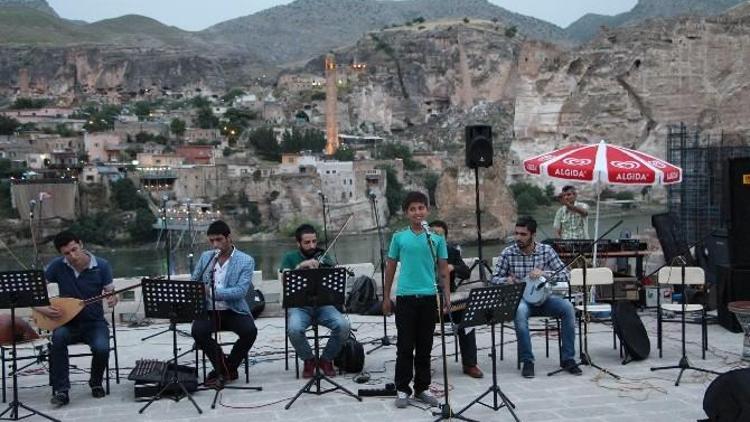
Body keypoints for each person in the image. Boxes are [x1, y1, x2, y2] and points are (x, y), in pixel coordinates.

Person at [491, 216, 581, 378]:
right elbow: (494, 279)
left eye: (523, 234)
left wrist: (545, 274)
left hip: (545, 298)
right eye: (516, 233)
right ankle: (528, 361)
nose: (518, 238)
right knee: (519, 312)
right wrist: (507, 280)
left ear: (533, 235)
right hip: (521, 300)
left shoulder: (546, 251)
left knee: (568, 308)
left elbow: (566, 275)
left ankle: (568, 359)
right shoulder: (508, 253)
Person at [382, 191, 449, 409]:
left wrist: (446, 295)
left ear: (427, 210)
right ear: (406, 213)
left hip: (429, 297)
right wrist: (385, 297)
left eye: (421, 208)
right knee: (405, 345)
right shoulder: (398, 238)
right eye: (412, 209)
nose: (417, 212)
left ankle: (422, 387)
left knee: (425, 345)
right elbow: (390, 268)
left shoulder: (436, 239)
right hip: (406, 297)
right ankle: (402, 388)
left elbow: (443, 269)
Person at [34, 231, 117, 407]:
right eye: (67, 253)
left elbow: (111, 293)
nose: (72, 256)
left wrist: (112, 299)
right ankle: (62, 390)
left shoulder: (102, 265)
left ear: (81, 244)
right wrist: (43, 309)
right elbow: (34, 291)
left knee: (102, 348)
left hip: (95, 322)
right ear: (60, 254)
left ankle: (95, 382)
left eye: (74, 249)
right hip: (67, 322)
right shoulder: (57, 266)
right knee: (57, 339)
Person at [191, 220, 258, 388]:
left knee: (250, 331)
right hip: (209, 310)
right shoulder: (206, 257)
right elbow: (195, 280)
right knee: (198, 331)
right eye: (212, 240)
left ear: (229, 238)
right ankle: (226, 369)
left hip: (233, 309)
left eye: (219, 239)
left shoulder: (246, 260)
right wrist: (198, 289)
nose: (215, 244)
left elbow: (240, 291)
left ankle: (227, 368)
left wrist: (213, 293)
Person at [280, 224, 350, 379]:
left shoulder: (323, 255)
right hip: (299, 306)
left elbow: (335, 276)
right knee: (294, 329)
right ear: (298, 243)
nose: (312, 246)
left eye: (314, 241)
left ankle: (326, 359)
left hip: (323, 305)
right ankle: (309, 360)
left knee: (344, 325)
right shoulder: (290, 258)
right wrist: (300, 266)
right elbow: (284, 280)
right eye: (307, 242)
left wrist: (328, 269)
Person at [428, 220, 483, 379]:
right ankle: (423, 364)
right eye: (433, 234)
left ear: (445, 238)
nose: (436, 237)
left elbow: (465, 272)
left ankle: (470, 364)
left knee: (467, 316)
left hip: (448, 301)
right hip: (427, 300)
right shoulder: (421, 252)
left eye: (440, 235)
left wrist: (453, 267)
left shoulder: (451, 251)